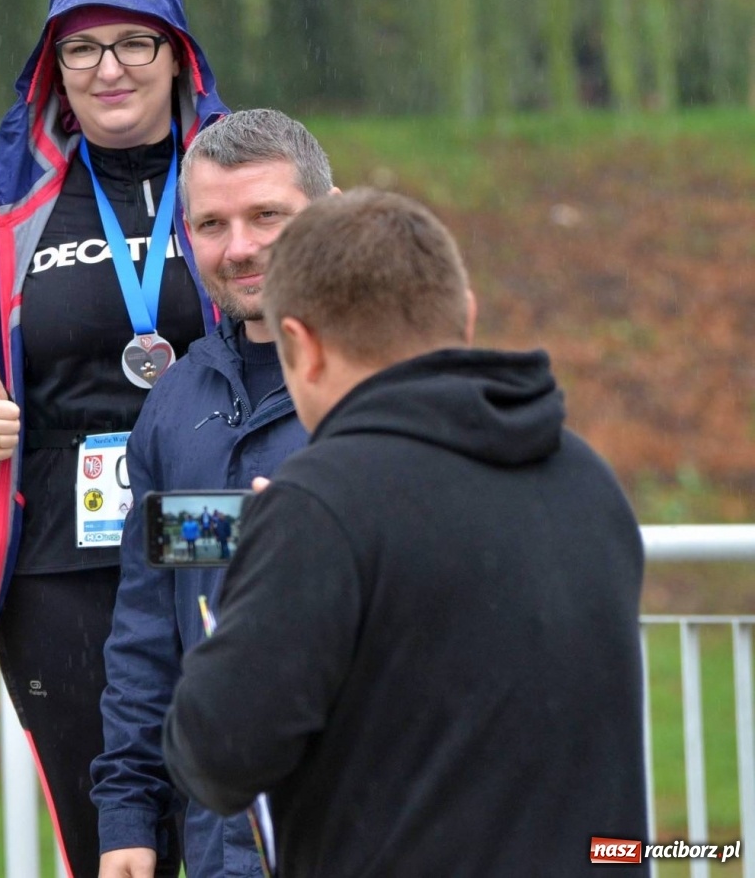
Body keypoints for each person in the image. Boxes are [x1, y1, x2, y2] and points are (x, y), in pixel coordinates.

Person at [163, 190, 648, 876]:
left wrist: (264, 567)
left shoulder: (319, 510)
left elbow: (217, 756)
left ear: (301, 345)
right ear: (467, 315)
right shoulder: (584, 476)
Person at [0, 0, 227, 877]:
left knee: (222, 819)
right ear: (52, 70)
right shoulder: (1, 208)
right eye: (82, 49)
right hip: (61, 557)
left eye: (134, 43)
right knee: (112, 842)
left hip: (201, 525)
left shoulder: (238, 188)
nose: (109, 69)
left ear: (179, 54)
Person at [91, 110, 336, 878]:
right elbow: (148, 631)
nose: (241, 248)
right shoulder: (177, 407)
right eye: (212, 224)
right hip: (221, 841)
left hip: (362, 825)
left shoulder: (384, 388)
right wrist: (126, 813)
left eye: (269, 216)